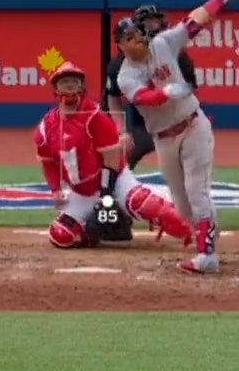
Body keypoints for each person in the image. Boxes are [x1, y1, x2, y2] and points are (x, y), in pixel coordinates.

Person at [114, 0, 239, 275]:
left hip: (193, 126)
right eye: (128, 38)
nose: (136, 40)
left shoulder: (162, 44)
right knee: (183, 208)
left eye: (137, 33)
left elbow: (194, 22)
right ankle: (208, 232)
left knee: (197, 190)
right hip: (164, 139)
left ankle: (207, 255)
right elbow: (144, 98)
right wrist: (170, 91)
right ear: (120, 46)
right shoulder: (125, 76)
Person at [33, 62, 192, 250]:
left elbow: (113, 156)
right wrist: (55, 189)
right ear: (55, 89)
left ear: (81, 86)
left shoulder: (94, 116)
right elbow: (49, 163)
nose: (69, 87)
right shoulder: (46, 128)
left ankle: (193, 231)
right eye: (64, 82)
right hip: (80, 191)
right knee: (61, 236)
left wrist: (106, 193)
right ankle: (98, 231)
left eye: (74, 82)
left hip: (114, 180)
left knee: (143, 204)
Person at [104, 4, 197, 173]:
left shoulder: (177, 54)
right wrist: (122, 132)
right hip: (143, 124)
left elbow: (190, 88)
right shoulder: (120, 66)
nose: (153, 28)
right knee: (124, 153)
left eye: (155, 22)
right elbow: (113, 99)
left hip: (176, 119)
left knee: (191, 155)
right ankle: (112, 190)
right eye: (147, 24)